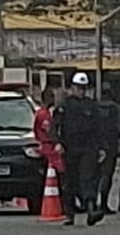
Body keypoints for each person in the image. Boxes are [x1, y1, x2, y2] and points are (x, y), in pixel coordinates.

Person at [54, 73, 110, 226]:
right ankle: (70, 214)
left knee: (88, 178)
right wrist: (58, 143)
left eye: (83, 88)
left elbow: (100, 128)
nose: (81, 91)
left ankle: (91, 210)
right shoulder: (64, 106)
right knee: (70, 181)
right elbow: (55, 127)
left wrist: (102, 148)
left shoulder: (91, 106)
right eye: (78, 88)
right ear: (72, 87)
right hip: (70, 148)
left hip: (88, 148)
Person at [33, 88, 64, 183]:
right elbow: (49, 130)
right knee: (59, 170)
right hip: (48, 147)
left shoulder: (42, 113)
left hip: (45, 145)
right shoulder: (44, 114)